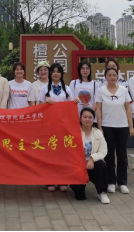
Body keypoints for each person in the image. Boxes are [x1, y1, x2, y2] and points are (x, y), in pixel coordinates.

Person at [38, 63, 81, 192]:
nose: (56, 74)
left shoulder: (67, 89)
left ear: (62, 74)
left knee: (63, 153)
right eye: (53, 71)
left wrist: (75, 101)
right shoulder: (45, 89)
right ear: (50, 74)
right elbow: (39, 106)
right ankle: (50, 180)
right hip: (49, 126)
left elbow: (71, 105)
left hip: (63, 126)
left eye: (58, 71)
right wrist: (46, 102)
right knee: (50, 153)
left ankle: (63, 179)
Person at [96, 67, 134, 195]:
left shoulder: (123, 90)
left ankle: (122, 182)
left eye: (114, 75)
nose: (112, 77)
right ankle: (111, 181)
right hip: (107, 126)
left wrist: (131, 126)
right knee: (109, 155)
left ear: (117, 77)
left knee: (122, 155)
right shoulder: (101, 90)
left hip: (122, 126)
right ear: (105, 77)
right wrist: (100, 127)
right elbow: (98, 110)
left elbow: (128, 109)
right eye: (109, 75)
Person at [70, 108, 110, 204]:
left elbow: (103, 150)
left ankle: (102, 193)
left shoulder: (98, 132)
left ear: (93, 119)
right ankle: (76, 185)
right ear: (80, 118)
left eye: (90, 117)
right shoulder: (74, 132)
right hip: (78, 165)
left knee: (101, 164)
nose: (87, 119)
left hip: (92, 165)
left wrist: (92, 159)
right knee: (79, 196)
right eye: (85, 117)